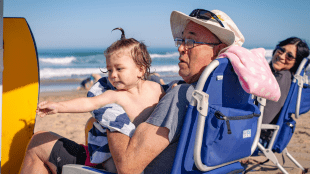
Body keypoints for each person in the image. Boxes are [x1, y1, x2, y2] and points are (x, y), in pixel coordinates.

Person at [20, 9, 244, 174]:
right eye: (181, 39)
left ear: (217, 50)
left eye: (191, 41)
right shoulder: (220, 97)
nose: (180, 47)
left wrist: (110, 115)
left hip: (125, 167)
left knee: (39, 140)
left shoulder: (180, 96)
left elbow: (127, 168)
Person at [20, 28, 165, 174]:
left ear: (140, 70)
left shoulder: (157, 90)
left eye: (119, 69)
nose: (113, 75)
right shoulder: (115, 95)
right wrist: (59, 106)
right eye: (109, 70)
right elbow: (88, 103)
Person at [260, 37, 309, 140]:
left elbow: (264, 118)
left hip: (258, 135)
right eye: (281, 50)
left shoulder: (282, 78)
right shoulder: (277, 75)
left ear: (296, 62)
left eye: (290, 56)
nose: (282, 56)